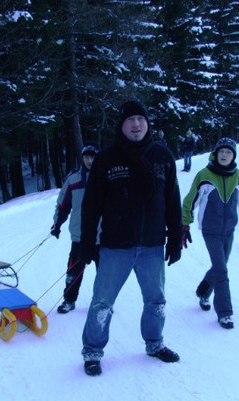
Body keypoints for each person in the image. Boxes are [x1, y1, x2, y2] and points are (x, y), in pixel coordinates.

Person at [77, 100, 183, 376]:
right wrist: (87, 242)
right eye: (130, 120)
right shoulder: (107, 159)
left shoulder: (162, 157)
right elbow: (91, 205)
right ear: (121, 125)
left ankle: (154, 344)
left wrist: (175, 237)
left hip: (152, 246)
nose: (136, 124)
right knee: (102, 302)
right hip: (116, 247)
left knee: (156, 301)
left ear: (147, 123)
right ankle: (92, 352)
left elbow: (172, 200)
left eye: (141, 119)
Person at [181, 137, 239, 329]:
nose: (224, 155)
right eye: (221, 152)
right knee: (222, 270)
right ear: (215, 154)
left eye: (229, 152)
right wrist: (184, 225)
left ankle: (203, 292)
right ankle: (225, 313)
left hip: (229, 230)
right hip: (210, 230)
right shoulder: (205, 175)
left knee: (220, 266)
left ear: (233, 155)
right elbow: (190, 201)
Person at [50, 142, 99, 313]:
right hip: (80, 236)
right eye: (86, 157)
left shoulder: (105, 177)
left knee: (105, 275)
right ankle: (69, 300)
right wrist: (57, 225)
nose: (89, 160)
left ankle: (102, 303)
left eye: (92, 157)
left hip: (102, 236)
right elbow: (62, 205)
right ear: (82, 158)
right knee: (73, 271)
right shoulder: (73, 180)